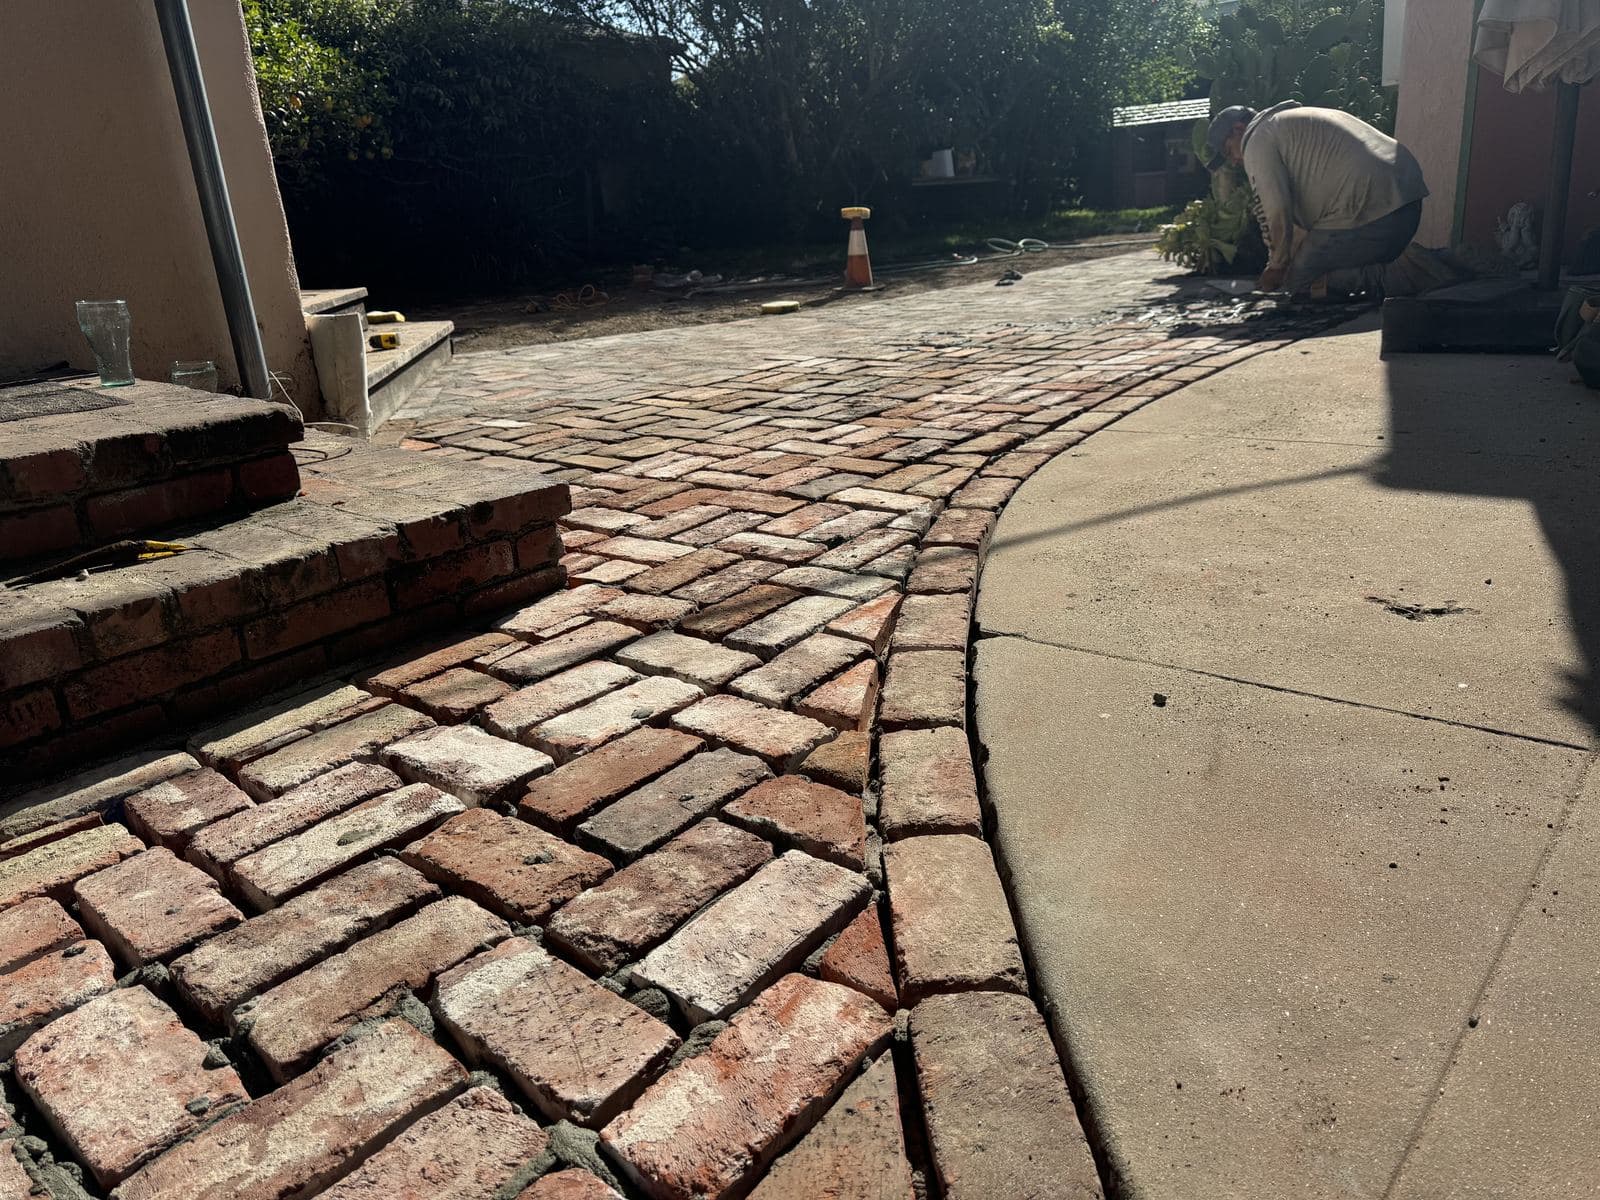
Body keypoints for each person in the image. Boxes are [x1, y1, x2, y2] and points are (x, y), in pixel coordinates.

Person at [1204, 102, 1429, 297]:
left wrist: (1276, 266)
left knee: (1299, 283)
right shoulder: (1289, 122)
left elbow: (1276, 211)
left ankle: (1406, 274)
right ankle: (1429, 263)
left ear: (1239, 129)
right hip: (1407, 199)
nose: (1233, 161)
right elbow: (1300, 227)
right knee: (1310, 268)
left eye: (1228, 151)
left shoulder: (1256, 141)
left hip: (1373, 211)